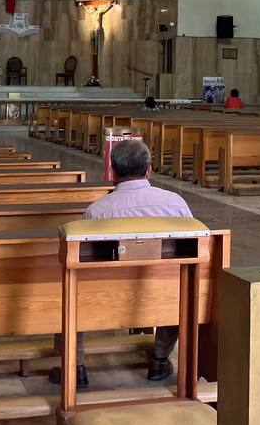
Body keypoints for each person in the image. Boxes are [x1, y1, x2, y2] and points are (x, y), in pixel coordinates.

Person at [76, 139, 192, 388]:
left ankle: (77, 368)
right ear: (148, 169)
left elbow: (82, 261)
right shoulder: (176, 204)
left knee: (73, 288)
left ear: (113, 172)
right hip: (164, 294)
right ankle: (159, 361)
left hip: (104, 299)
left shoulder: (97, 211)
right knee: (176, 285)